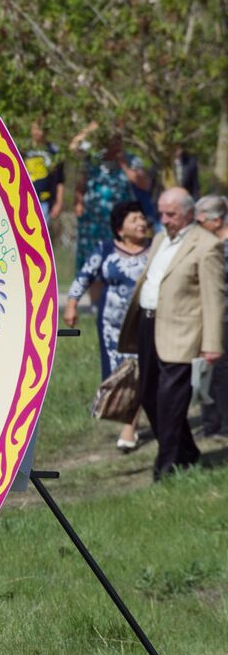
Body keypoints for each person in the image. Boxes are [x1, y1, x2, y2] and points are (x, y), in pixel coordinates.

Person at [118, 188, 226, 480]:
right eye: (162, 213)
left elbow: (214, 298)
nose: (164, 219)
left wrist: (212, 344)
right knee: (149, 395)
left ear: (189, 214)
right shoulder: (159, 239)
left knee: (170, 399)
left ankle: (166, 468)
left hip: (182, 331)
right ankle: (187, 451)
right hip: (148, 325)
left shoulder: (206, 246)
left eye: (171, 214)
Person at [63, 200, 153, 450]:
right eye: (134, 220)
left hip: (147, 322)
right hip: (112, 326)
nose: (141, 223)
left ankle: (130, 427)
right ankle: (127, 418)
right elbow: (84, 276)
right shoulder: (105, 250)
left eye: (142, 218)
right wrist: (72, 304)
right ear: (120, 228)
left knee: (142, 372)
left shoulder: (155, 249)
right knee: (119, 373)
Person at [73, 123, 153, 268]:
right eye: (111, 141)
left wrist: (123, 164)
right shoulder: (93, 159)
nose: (115, 144)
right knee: (93, 264)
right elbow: (74, 148)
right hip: (93, 221)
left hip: (119, 222)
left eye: (118, 141)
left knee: (117, 262)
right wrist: (91, 127)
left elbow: (144, 184)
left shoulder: (131, 160)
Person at [194, 195, 228, 435]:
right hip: (205, 316)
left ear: (216, 220)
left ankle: (223, 424)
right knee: (206, 371)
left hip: (225, 317)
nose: (196, 225)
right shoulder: (202, 243)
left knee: (223, 372)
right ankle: (210, 422)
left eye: (201, 220)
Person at [25, 120, 64, 221]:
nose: (36, 132)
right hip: (24, 201)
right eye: (34, 128)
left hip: (45, 202)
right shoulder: (23, 149)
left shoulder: (54, 151)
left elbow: (60, 180)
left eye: (39, 129)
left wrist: (59, 202)